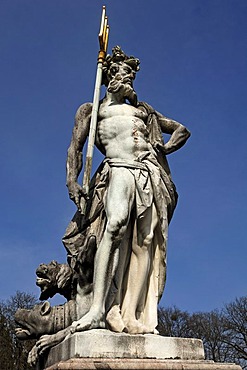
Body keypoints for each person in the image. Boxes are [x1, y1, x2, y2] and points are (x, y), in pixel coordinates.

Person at [64, 46, 190, 334]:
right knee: (115, 225)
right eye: (125, 74)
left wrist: (166, 147)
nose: (130, 80)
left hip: (148, 172)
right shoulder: (93, 110)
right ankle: (98, 309)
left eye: (133, 76)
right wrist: (72, 180)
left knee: (145, 241)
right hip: (118, 167)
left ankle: (130, 314)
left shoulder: (143, 111)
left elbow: (182, 129)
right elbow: (75, 147)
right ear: (111, 77)